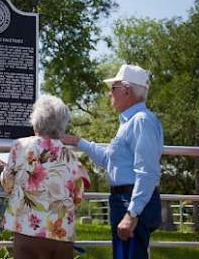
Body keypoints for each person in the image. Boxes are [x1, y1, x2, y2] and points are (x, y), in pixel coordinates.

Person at [61, 64, 163, 259]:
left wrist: (132, 214)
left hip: (130, 201)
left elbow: (147, 172)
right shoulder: (131, 122)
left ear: (127, 90)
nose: (109, 94)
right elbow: (110, 160)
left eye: (113, 88)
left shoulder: (140, 121)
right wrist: (78, 142)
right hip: (126, 200)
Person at [1, 95, 90, 259]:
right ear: (62, 125)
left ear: (36, 123)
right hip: (61, 233)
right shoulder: (70, 156)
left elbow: (8, 184)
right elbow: (78, 196)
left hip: (27, 231)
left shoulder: (19, 147)